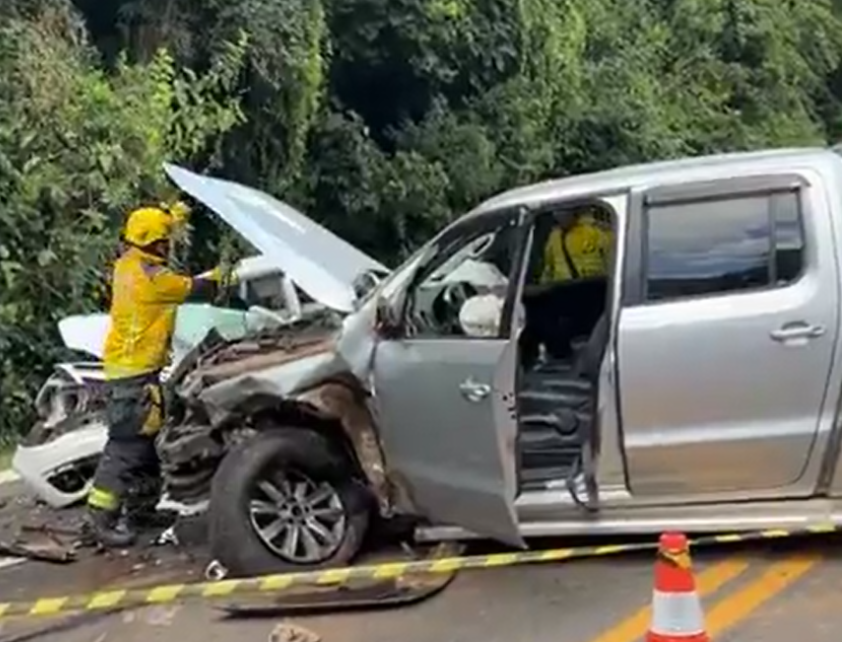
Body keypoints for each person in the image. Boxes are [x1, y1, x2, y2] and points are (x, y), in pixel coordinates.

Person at [85, 201, 234, 548]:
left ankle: (141, 510)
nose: (169, 245)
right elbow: (198, 289)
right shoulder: (152, 279)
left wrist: (172, 216)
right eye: (165, 240)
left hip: (134, 370)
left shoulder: (128, 263)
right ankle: (100, 519)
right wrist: (226, 273)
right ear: (152, 243)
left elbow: (150, 230)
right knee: (127, 447)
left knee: (147, 443)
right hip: (133, 375)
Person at [539, 207, 612, 283]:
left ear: (574, 212)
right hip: (563, 288)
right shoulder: (554, 236)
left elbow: (610, 258)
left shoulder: (594, 231)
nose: (559, 215)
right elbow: (548, 267)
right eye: (556, 212)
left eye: (564, 211)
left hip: (593, 285)